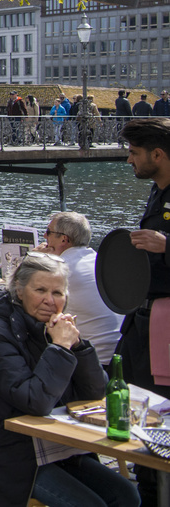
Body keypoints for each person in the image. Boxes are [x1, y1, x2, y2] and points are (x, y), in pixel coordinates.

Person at [0, 253, 137, 507]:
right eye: (40, 290)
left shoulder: (53, 329)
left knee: (126, 495)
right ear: (20, 291)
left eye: (58, 292)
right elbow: (34, 400)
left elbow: (96, 392)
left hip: (52, 447)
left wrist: (77, 346)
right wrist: (60, 349)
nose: (49, 300)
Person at [118, 117, 170, 503]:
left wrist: (167, 245)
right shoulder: (157, 191)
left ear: (158, 154)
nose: (129, 160)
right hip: (143, 318)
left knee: (160, 419)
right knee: (141, 409)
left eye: (134, 153)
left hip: (165, 325)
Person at [37, 211, 122, 366]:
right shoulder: (97, 259)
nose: (44, 236)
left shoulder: (61, 267)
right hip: (119, 355)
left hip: (93, 359)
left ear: (64, 239)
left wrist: (34, 259)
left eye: (49, 232)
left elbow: (23, 300)